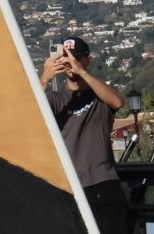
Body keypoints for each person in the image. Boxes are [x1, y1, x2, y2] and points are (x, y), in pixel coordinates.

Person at [41, 36, 129, 234]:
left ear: (87, 60)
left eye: (75, 58)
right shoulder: (56, 99)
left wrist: (82, 72)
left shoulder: (99, 95)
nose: (70, 63)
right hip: (70, 188)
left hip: (103, 184)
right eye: (65, 58)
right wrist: (44, 79)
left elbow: (117, 101)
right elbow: (31, 115)